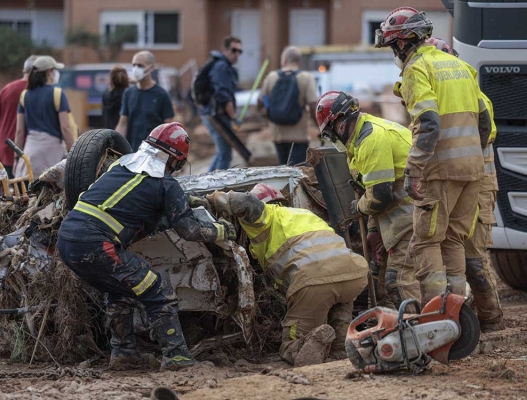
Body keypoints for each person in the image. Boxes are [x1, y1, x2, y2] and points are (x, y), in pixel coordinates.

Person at [57, 123, 236, 371]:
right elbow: (189, 230)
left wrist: (185, 199)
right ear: (176, 159)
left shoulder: (120, 166)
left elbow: (133, 200)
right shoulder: (165, 183)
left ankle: (124, 354)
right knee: (158, 291)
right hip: (97, 244)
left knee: (119, 292)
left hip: (66, 240)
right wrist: (223, 230)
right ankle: (177, 358)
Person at [375, 7, 491, 305]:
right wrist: (471, 159)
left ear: (402, 42)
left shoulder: (417, 69)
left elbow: (428, 122)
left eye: (392, 45)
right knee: (453, 241)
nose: (394, 52)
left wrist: (414, 170)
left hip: (439, 173)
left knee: (425, 243)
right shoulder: (460, 67)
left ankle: (436, 316)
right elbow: (484, 122)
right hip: (473, 171)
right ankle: (457, 312)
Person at [204, 184, 368, 365]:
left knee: (291, 343)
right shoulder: (304, 214)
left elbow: (245, 202)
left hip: (314, 280)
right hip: (354, 273)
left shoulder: (266, 216)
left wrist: (210, 200)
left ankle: (302, 349)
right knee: (338, 302)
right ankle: (341, 347)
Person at [424, 37, 504, 332]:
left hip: (479, 182)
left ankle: (491, 319)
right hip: (457, 178)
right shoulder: (439, 99)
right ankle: (458, 317)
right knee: (449, 248)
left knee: (472, 258)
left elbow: (485, 132)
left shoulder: (476, 98)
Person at [315, 90, 420, 308]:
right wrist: (373, 232)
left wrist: (358, 209)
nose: (333, 139)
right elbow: (370, 191)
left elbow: (380, 195)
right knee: (378, 281)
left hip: (415, 217)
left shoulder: (372, 139)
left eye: (330, 134)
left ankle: (421, 332)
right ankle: (397, 324)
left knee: (397, 282)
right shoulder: (359, 141)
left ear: (340, 125)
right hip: (400, 218)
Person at [15, 56, 74, 179]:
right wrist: (73, 153)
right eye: (54, 70)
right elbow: (66, 128)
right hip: (53, 155)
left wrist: (17, 158)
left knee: (30, 195)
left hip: (30, 154)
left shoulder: (25, 95)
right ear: (49, 72)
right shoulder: (57, 94)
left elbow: (20, 131)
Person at [258, 46, 317, 166]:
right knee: (298, 172)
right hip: (299, 135)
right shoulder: (306, 78)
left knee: (283, 171)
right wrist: (319, 126)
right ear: (299, 62)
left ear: (283, 60)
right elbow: (312, 104)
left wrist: (269, 109)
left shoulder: (271, 77)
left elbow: (261, 100)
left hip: (278, 134)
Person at [0, 55, 37, 178]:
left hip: (7, 149)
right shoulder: (37, 91)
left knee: (10, 192)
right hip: (31, 150)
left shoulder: (6, 90)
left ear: (24, 71)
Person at [115, 52, 174, 151]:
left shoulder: (161, 95)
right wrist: (115, 144)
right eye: (134, 65)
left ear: (151, 68)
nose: (136, 69)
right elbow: (123, 123)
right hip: (131, 153)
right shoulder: (128, 93)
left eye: (140, 65)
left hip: (152, 154)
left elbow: (168, 129)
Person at [201, 37, 242, 172]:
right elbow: (224, 96)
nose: (236, 54)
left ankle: (205, 184)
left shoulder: (221, 66)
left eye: (239, 52)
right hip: (216, 116)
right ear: (224, 50)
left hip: (212, 114)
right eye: (234, 50)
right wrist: (233, 118)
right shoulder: (222, 67)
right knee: (225, 154)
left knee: (222, 152)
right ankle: (213, 187)